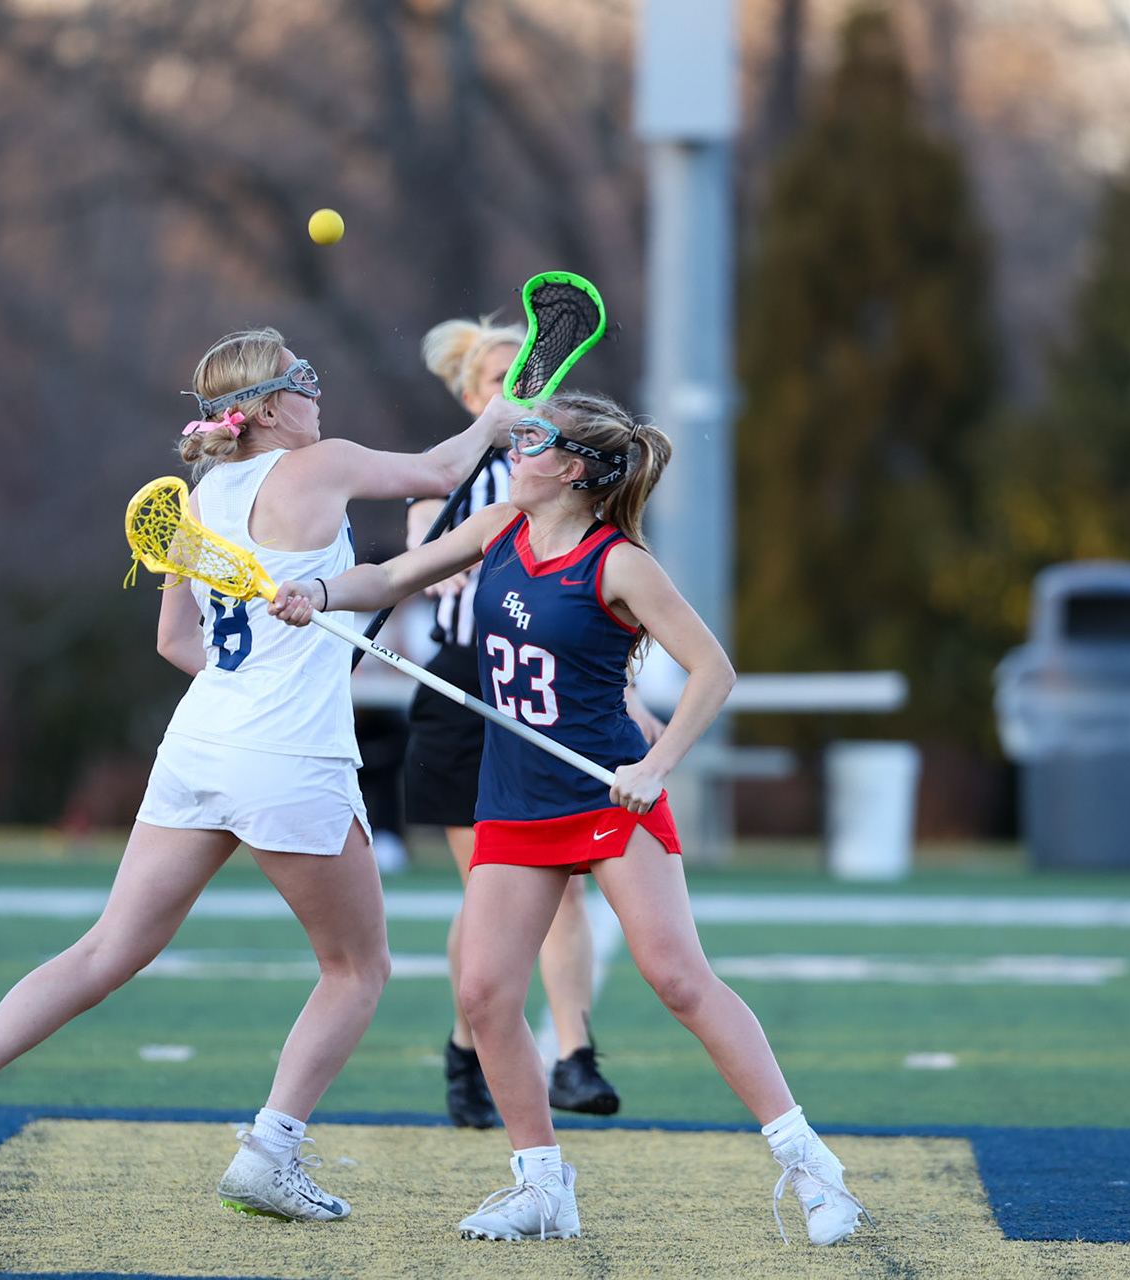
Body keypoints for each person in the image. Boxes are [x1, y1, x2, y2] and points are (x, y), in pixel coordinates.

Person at [0, 328, 518, 1224]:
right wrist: (500, 418)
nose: (317, 389)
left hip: (201, 744)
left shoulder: (197, 500)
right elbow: (441, 470)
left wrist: (256, 674)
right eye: (303, 378)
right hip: (290, 754)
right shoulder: (320, 465)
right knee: (358, 969)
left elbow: (176, 644)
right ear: (266, 408)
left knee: (106, 949)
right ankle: (269, 1154)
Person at [269, 392, 867, 1246]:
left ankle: (813, 1168)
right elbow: (391, 578)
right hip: (515, 801)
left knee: (677, 977)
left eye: (533, 443)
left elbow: (713, 672)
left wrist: (653, 767)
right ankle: (543, 1185)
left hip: (604, 796)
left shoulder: (618, 564)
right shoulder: (496, 533)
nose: (515, 454)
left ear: (578, 471)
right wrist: (321, 592)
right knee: (482, 995)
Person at [407, 316, 642, 1128]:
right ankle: (470, 1045)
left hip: (547, 691)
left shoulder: (552, 476)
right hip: (466, 691)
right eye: (506, 382)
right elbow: (419, 561)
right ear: (475, 397)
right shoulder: (462, 479)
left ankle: (573, 1057)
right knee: (493, 893)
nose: (523, 396)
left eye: (534, 381)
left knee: (563, 891)